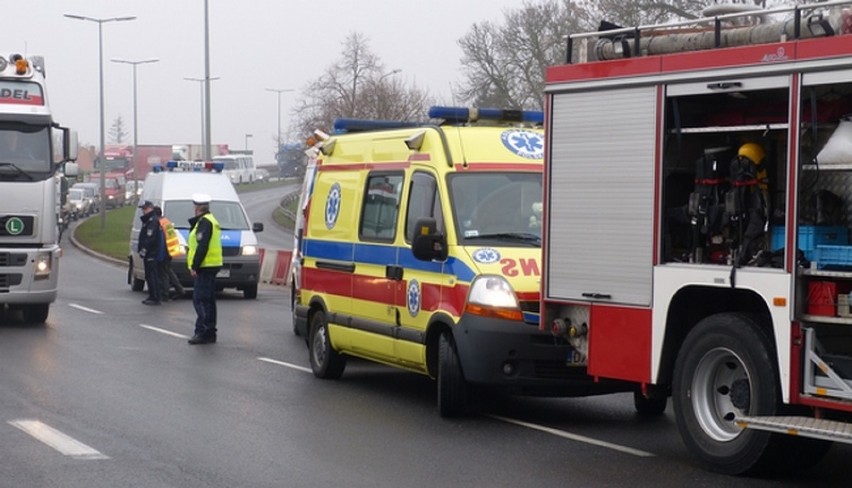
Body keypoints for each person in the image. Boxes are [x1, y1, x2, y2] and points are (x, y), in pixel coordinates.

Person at [186, 193, 223, 345]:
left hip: (205, 265)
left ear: (197, 208)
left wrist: (195, 265)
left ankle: (202, 331)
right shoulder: (211, 220)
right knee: (209, 301)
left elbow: (202, 245)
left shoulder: (204, 222)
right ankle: (210, 332)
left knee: (200, 300)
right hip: (211, 265)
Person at [154, 205, 186, 301]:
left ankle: (164, 294)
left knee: (163, 274)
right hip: (170, 250)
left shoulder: (159, 223)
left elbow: (161, 240)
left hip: (164, 252)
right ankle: (179, 290)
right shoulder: (166, 222)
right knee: (168, 272)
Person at [137, 200, 163, 305]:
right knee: (150, 275)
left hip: (151, 252)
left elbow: (150, 237)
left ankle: (155, 296)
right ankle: (153, 295)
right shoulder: (149, 220)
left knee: (152, 275)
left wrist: (144, 250)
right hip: (150, 252)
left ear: (150, 208)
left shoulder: (152, 221)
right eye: (143, 209)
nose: (144, 211)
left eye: (145, 208)